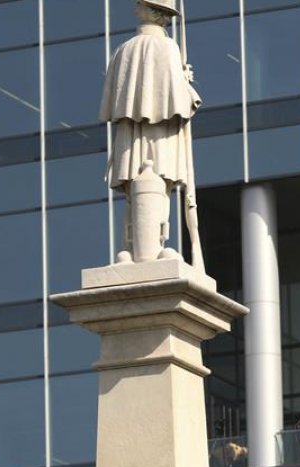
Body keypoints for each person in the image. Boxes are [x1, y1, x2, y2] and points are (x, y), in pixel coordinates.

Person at [100, 0, 204, 269]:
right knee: (159, 184)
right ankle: (151, 247)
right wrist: (186, 84)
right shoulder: (167, 48)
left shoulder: (123, 50)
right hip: (161, 133)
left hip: (131, 134)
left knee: (135, 187)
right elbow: (179, 102)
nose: (136, 8)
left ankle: (131, 249)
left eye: (141, 5)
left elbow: (114, 98)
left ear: (151, 12)